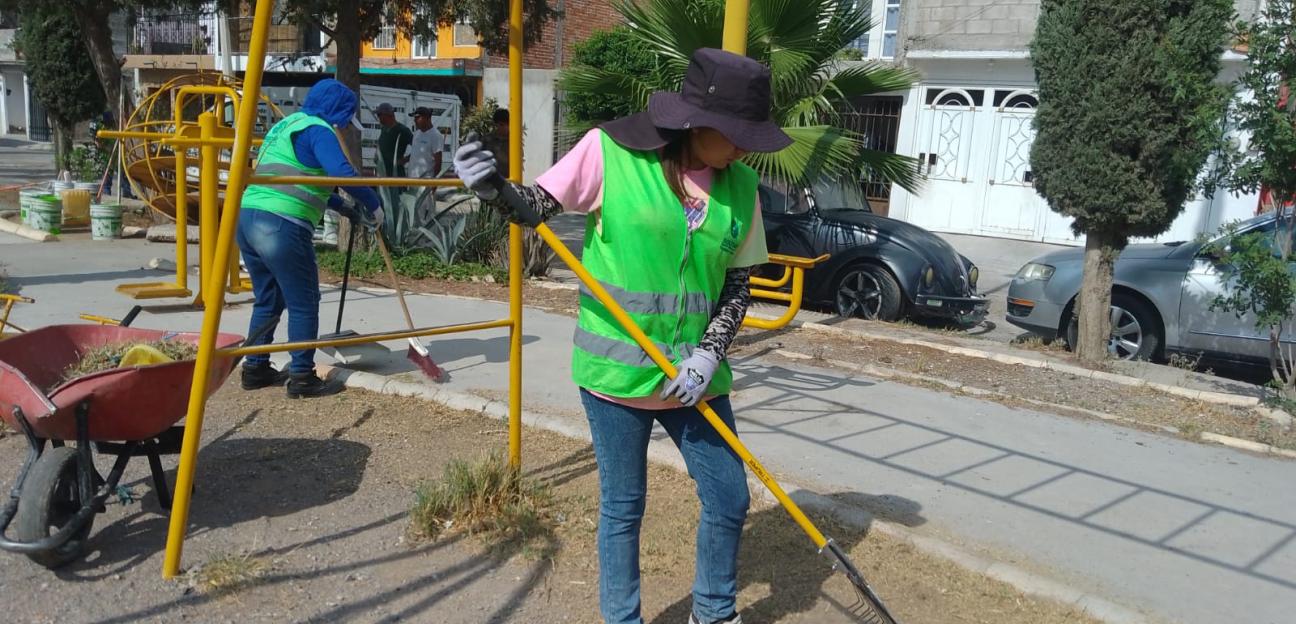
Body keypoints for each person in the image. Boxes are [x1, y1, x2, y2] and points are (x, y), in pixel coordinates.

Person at [454, 48, 790, 624]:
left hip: (692, 381)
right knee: (623, 508)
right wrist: (494, 191)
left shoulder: (742, 188)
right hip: (616, 374)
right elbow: (535, 206)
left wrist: (709, 355)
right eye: (735, 134)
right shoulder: (610, 151)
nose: (742, 148)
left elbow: (739, 287)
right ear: (695, 122)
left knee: (730, 496)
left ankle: (712, 612)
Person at [238, 78, 383, 398]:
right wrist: (374, 205)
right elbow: (341, 174)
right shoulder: (320, 129)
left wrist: (345, 208)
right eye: (345, 120)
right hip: (280, 224)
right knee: (304, 300)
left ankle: (255, 367)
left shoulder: (286, 127)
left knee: (269, 298)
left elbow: (299, 179)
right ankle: (302, 375)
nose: (344, 128)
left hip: (248, 218)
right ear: (337, 113)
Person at [375, 102, 412, 178]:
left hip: (395, 173)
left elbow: (417, 148)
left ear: (388, 115)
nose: (378, 117)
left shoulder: (402, 130)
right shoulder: (384, 129)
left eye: (379, 115)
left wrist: (404, 160)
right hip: (382, 171)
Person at [408, 106, 444, 179]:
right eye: (414, 118)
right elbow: (416, 153)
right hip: (412, 178)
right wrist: (404, 160)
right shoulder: (416, 134)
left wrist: (434, 182)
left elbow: (438, 162)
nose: (415, 120)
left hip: (426, 180)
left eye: (417, 117)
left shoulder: (435, 136)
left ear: (427, 118)